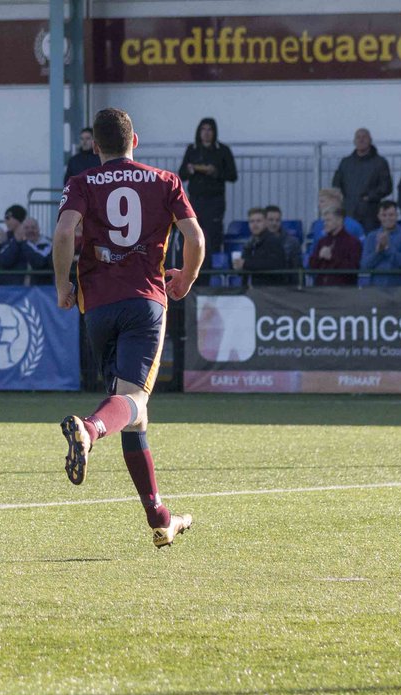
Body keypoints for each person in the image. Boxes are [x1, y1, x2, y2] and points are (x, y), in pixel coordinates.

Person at [54, 107, 205, 548]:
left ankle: (160, 518)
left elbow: (65, 234)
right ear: (134, 140)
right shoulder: (165, 181)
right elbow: (195, 239)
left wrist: (63, 284)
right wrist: (186, 279)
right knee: (131, 402)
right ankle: (90, 429)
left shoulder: (80, 183)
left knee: (133, 412)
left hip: (98, 307)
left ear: (95, 146)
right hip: (144, 302)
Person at [177, 117, 237, 258]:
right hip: (195, 200)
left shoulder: (223, 150)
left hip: (215, 201)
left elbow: (232, 175)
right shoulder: (192, 149)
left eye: (210, 129)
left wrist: (215, 172)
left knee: (212, 235)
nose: (206, 133)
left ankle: (211, 269)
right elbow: (182, 174)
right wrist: (190, 170)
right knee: (193, 234)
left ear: (214, 132)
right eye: (203, 129)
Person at [332, 128, 392, 232]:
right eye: (358, 137)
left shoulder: (380, 162)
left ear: (370, 140)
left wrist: (369, 197)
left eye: (364, 137)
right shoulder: (346, 162)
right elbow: (336, 184)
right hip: (348, 213)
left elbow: (386, 186)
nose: (361, 140)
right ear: (354, 141)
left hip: (370, 215)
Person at [359, 200, 401, 287]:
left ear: (397, 216)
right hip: (376, 290)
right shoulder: (371, 236)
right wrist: (378, 252)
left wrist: (388, 248)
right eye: (384, 215)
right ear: (379, 216)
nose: (387, 218)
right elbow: (364, 266)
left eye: (391, 215)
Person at [232, 207, 288, 286]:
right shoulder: (249, 244)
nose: (255, 225)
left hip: (267, 291)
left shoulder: (273, 241)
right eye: (252, 221)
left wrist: (245, 264)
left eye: (258, 221)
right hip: (249, 290)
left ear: (265, 222)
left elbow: (274, 264)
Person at [308, 205, 361, 287]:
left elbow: (353, 269)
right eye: (324, 221)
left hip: (343, 293)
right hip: (321, 291)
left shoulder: (353, 243)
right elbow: (311, 267)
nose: (325, 224)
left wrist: (332, 258)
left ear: (339, 220)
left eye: (328, 220)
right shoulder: (322, 241)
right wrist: (319, 257)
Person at [305, 188, 364, 261]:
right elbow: (310, 250)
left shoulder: (354, 226)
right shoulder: (316, 225)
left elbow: (361, 253)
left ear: (334, 201)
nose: (318, 205)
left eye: (322, 201)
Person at [262, 205, 302, 277]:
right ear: (264, 221)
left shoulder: (293, 243)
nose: (274, 223)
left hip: (285, 285)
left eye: (277, 220)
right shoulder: (256, 242)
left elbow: (297, 271)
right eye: (271, 220)